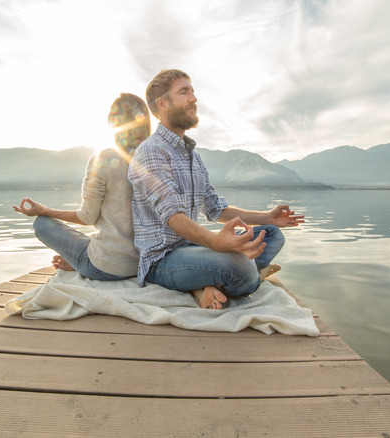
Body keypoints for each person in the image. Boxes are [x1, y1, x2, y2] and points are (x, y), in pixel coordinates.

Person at [128, 69, 304, 309]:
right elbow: (173, 217)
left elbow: (214, 208)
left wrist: (268, 217)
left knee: (272, 234)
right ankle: (243, 276)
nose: (194, 98)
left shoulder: (194, 158)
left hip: (194, 249)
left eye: (192, 91)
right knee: (238, 267)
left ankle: (208, 284)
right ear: (162, 104)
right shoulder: (150, 152)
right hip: (163, 259)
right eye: (184, 92)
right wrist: (216, 243)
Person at [14, 93, 150, 280]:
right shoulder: (155, 158)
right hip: (146, 264)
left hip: (108, 267)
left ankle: (79, 262)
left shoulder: (104, 157)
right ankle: (77, 259)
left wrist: (45, 210)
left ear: (113, 122)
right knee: (97, 239)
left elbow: (87, 217)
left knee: (42, 224)